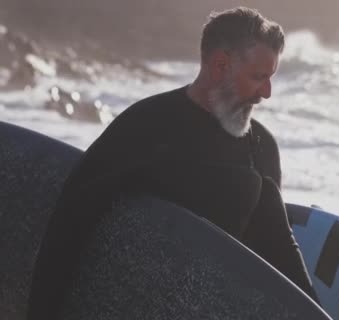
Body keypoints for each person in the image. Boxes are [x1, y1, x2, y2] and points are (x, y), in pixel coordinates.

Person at [28, 7, 317, 320]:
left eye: (271, 78)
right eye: (259, 77)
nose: (267, 93)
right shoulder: (146, 126)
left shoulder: (261, 148)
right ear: (221, 65)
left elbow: (277, 248)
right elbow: (70, 224)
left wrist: (315, 312)